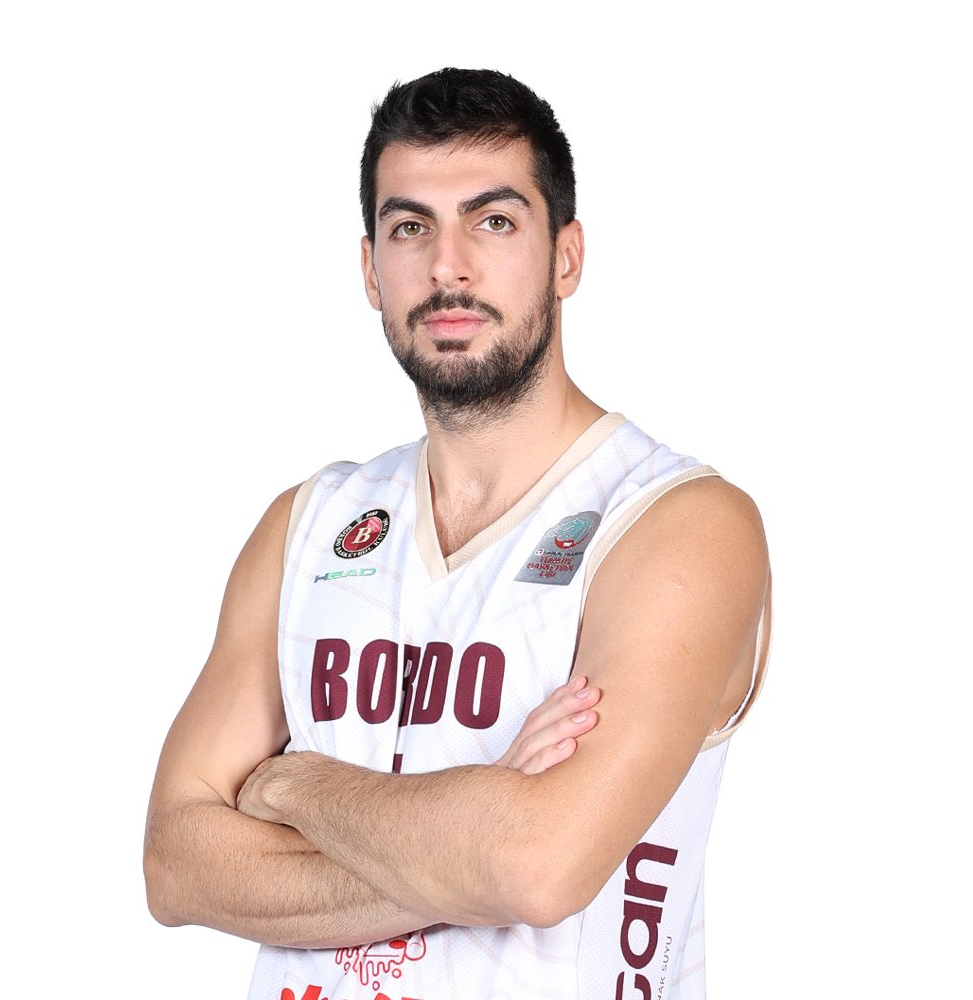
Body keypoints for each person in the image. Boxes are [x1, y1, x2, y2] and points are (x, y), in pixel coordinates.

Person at [144, 67, 771, 1000]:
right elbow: (173, 864)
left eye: (494, 221)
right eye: (411, 228)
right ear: (370, 269)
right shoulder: (308, 526)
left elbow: (535, 869)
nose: (448, 267)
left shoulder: (676, 524)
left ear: (566, 257)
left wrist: (290, 786)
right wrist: (472, 829)